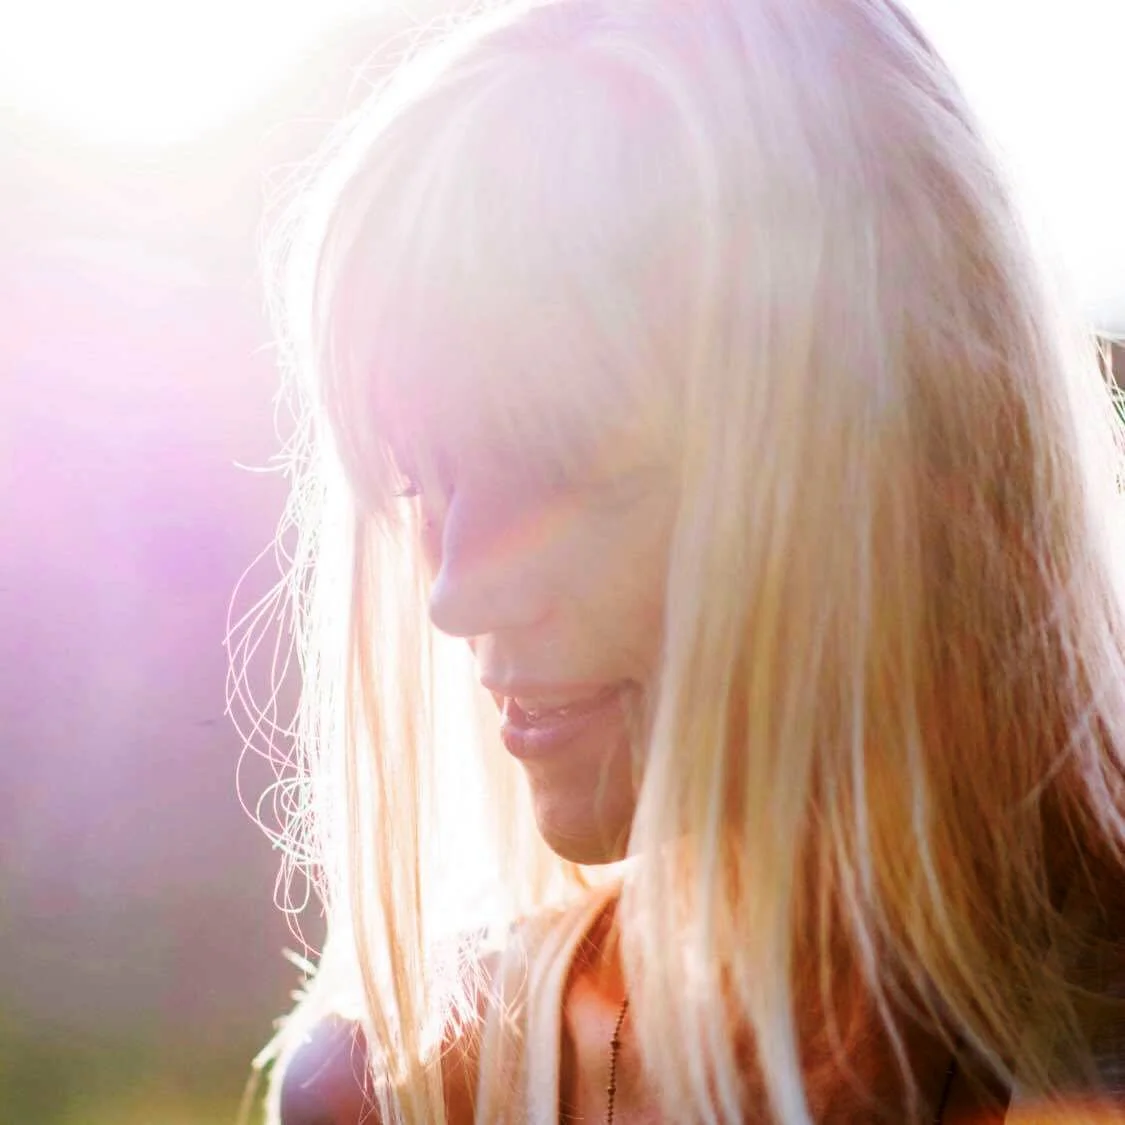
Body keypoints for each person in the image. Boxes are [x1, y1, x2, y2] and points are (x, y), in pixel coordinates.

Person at [244, 0, 1125, 1120]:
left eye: (559, 466)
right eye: (421, 480)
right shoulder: (400, 1087)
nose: (456, 596)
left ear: (884, 453)